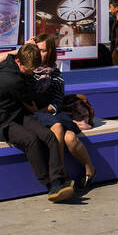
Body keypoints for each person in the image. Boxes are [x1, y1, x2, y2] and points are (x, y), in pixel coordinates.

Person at [0, 42, 76, 202]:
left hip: (16, 113)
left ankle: (58, 178)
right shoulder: (12, 80)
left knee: (50, 137)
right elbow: (32, 105)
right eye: (28, 70)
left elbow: (0, 59)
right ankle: (50, 185)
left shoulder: (10, 60)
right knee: (31, 140)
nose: (30, 73)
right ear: (19, 62)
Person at [29, 33, 96, 188]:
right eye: (37, 49)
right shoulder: (28, 71)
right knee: (65, 136)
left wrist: (40, 109)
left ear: (51, 52)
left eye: (44, 50)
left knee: (70, 138)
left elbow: (57, 102)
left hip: (52, 114)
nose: (40, 54)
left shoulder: (55, 74)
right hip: (36, 118)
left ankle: (88, 168)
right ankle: (62, 173)